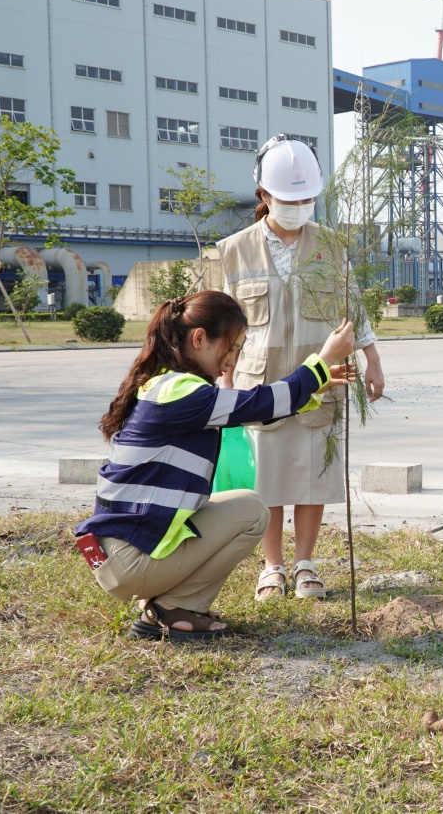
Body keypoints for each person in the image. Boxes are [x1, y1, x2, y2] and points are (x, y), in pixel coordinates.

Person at [75, 290, 357, 641]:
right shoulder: (182, 391)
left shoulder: (162, 384)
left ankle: (165, 600)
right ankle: (175, 607)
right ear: (199, 339)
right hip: (130, 560)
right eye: (233, 346)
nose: (233, 360)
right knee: (252, 512)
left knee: (245, 505)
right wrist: (323, 359)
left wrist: (311, 387)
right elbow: (260, 404)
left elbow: (254, 411)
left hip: (118, 551)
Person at [218, 135, 384, 602]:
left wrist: (372, 359)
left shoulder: (331, 245)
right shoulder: (234, 250)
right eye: (288, 199)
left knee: (313, 474)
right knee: (266, 478)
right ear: (264, 196)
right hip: (262, 384)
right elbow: (219, 320)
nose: (297, 206)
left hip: (323, 381)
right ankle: (272, 568)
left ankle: (306, 562)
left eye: (306, 198)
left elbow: (355, 307)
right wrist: (223, 378)